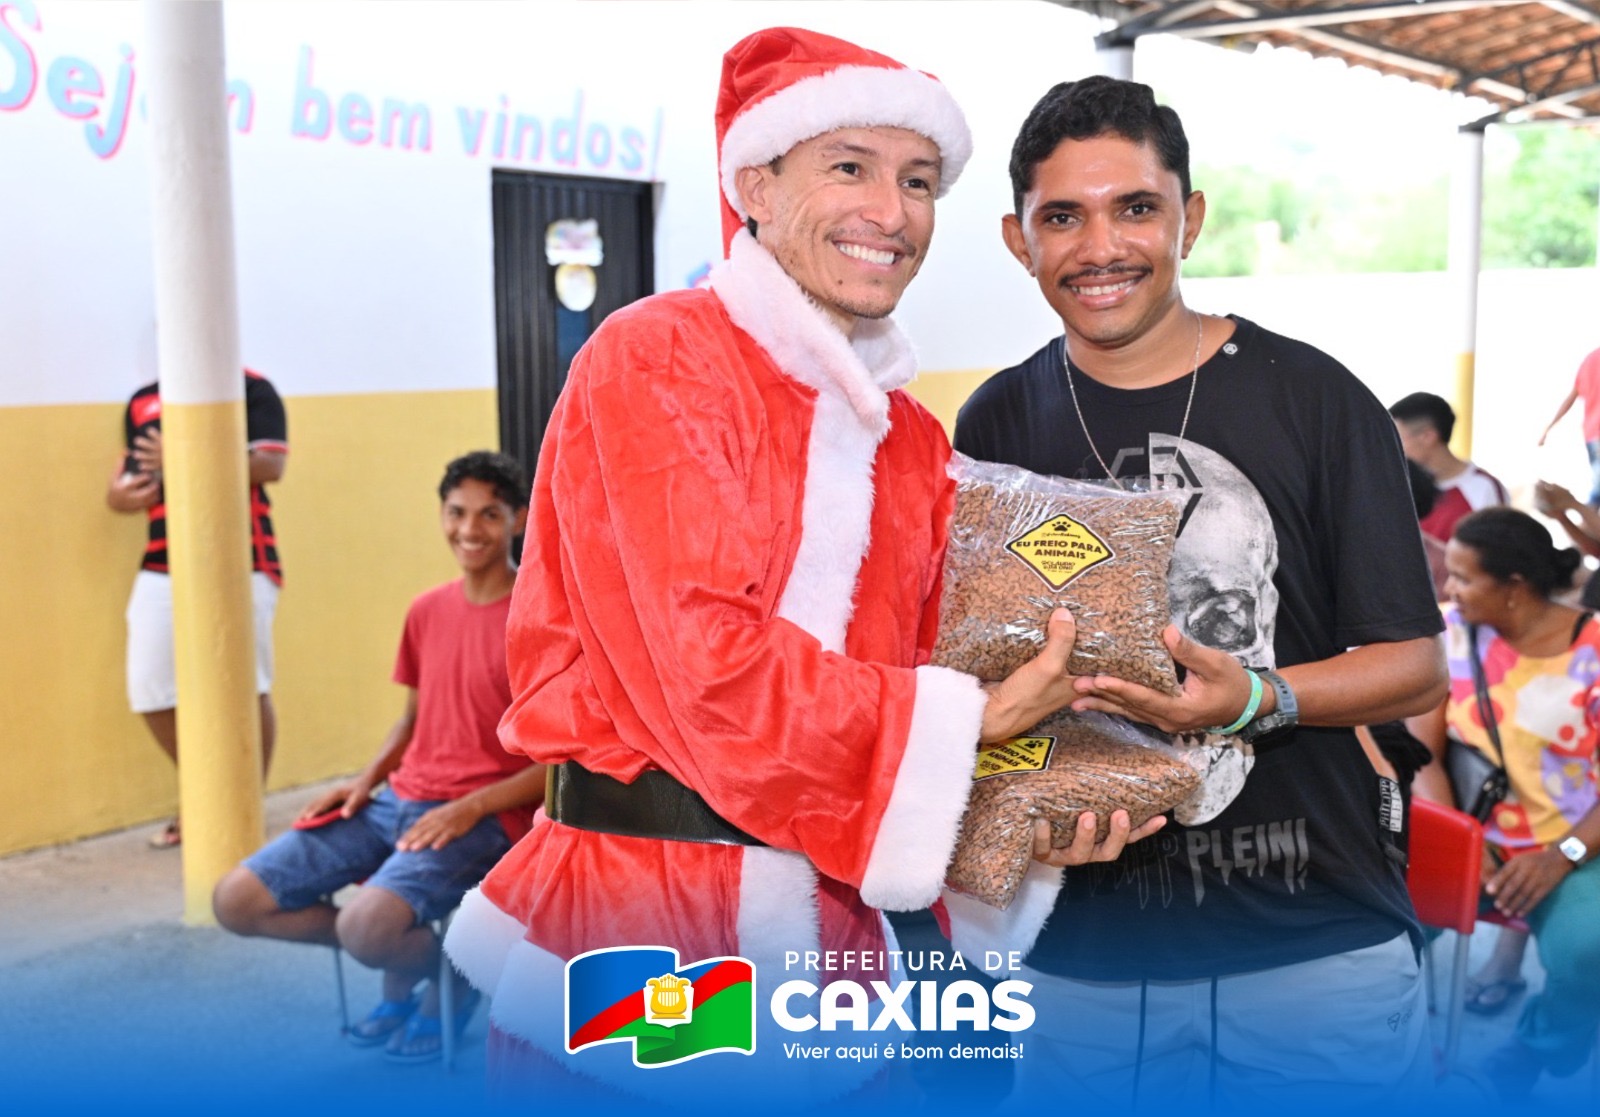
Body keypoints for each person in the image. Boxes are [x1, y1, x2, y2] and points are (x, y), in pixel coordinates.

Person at [441, 28, 1156, 1104]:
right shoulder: (656, 358)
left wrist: (1050, 801)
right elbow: (704, 669)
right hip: (649, 920)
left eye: (918, 181)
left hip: (847, 937)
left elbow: (950, 665)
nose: (891, 211)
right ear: (756, 189)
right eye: (849, 167)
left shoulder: (908, 438)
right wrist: (971, 723)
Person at [950, 76, 1447, 1105]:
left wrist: (1258, 696)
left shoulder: (1312, 397)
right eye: (1062, 216)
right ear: (1016, 239)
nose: (1101, 247)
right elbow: (989, 672)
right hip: (1081, 952)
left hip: (1310, 946)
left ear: (1192, 217)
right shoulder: (995, 421)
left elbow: (1413, 666)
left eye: (1136, 207)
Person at [212, 451, 545, 1064]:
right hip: (397, 800)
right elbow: (413, 720)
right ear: (441, 514)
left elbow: (561, 762)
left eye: (489, 514)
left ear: (519, 519)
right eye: (457, 512)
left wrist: (470, 807)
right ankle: (425, 962)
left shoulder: (537, 616)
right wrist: (364, 782)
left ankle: (445, 974)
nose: (469, 529)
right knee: (236, 900)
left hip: (482, 818)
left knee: (363, 927)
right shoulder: (426, 609)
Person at [1407, 507, 1600, 1100]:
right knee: (1379, 928)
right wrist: (1462, 844)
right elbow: (1422, 755)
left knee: (1586, 952)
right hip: (1468, 837)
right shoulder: (1447, 634)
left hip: (1574, 846)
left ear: (1513, 586)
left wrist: (1560, 857)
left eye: (1464, 577)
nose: (1449, 589)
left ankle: (1536, 1049)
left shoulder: (1593, 648)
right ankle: (1397, 1053)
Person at [105, 369, 288, 848]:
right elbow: (129, 482)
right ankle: (208, 798)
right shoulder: (142, 400)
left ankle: (244, 806)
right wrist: (118, 497)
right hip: (162, 562)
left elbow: (269, 465)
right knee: (150, 687)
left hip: (243, 557)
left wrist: (182, 454)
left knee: (248, 685)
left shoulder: (251, 389)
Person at [1390, 390, 1509, 544]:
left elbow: (1497, 551)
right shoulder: (1398, 487)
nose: (1391, 448)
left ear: (1427, 436)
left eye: (1398, 439)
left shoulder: (1484, 487)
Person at [1538, 345, 1600, 507]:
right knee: (1597, 492)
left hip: (1592, 435)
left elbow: (1570, 398)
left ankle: (1585, 515)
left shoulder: (1590, 360)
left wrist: (1548, 428)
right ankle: (1584, 513)